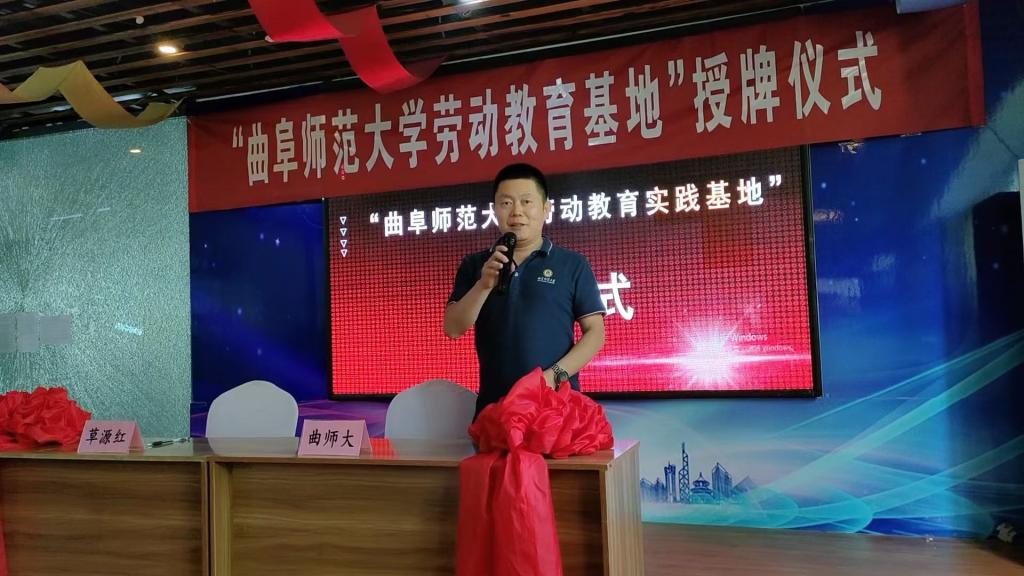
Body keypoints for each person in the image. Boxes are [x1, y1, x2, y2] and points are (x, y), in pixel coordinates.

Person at [444, 163, 606, 416]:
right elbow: (453, 328)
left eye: (526, 202)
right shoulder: (476, 265)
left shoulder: (572, 264)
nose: (516, 211)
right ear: (494, 210)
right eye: (506, 203)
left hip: (556, 409)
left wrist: (554, 376)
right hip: (495, 411)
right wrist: (484, 284)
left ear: (545, 209)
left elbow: (595, 333)